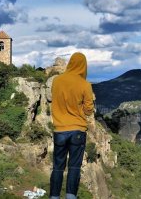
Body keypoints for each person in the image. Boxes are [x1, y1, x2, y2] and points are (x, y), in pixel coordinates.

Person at [49, 52, 95, 199]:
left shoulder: (57, 81)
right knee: (74, 167)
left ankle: (54, 196)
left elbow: (54, 98)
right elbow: (88, 111)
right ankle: (70, 196)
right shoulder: (85, 85)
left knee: (58, 167)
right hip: (78, 130)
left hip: (60, 130)